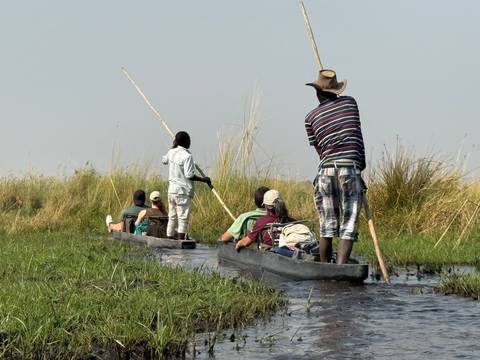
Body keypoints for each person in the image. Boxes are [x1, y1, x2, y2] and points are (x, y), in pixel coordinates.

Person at [304, 69, 366, 264]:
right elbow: (358, 136)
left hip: (325, 170)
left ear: (317, 93)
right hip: (350, 167)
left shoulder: (310, 117)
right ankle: (340, 268)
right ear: (336, 90)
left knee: (327, 224)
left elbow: (320, 152)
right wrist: (360, 167)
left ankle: (324, 268)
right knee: (349, 221)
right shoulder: (350, 103)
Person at [162, 131, 212, 240]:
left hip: (171, 191)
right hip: (182, 192)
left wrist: (172, 147)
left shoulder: (171, 152)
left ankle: (169, 240)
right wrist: (204, 180)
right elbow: (189, 175)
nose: (190, 143)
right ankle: (180, 241)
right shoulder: (187, 156)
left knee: (172, 217)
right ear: (185, 141)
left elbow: (164, 160)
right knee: (183, 218)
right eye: (189, 140)